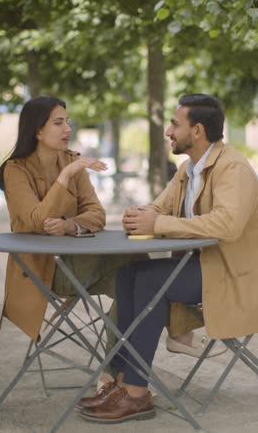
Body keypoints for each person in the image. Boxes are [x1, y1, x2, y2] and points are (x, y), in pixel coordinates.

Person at [77, 93, 258, 424]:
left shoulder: (234, 168)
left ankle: (135, 394)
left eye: (175, 124)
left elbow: (228, 225)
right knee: (129, 272)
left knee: (150, 279)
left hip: (234, 276)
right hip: (204, 268)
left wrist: (158, 224)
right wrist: (142, 214)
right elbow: (159, 208)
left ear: (198, 130)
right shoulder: (188, 170)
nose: (169, 131)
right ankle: (119, 382)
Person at [0, 96, 145, 346]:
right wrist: (65, 175)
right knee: (133, 265)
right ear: (38, 131)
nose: (68, 129)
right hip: (42, 273)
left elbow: (98, 214)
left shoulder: (72, 161)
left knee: (140, 279)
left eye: (67, 121)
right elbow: (37, 220)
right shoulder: (15, 170)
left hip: (79, 264)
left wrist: (68, 225)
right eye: (58, 123)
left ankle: (111, 373)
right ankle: (175, 333)